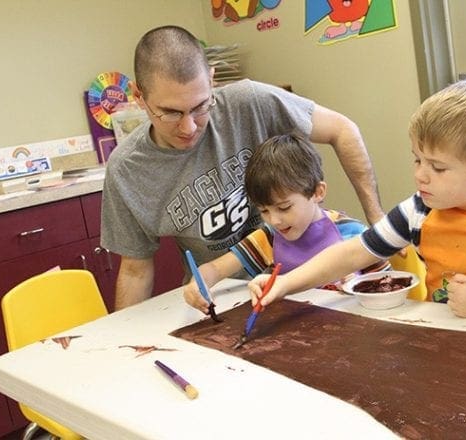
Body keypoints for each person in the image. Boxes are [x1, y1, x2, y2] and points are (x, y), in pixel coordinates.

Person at [249, 74, 466, 322]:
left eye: (438, 167)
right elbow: (351, 253)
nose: (420, 175)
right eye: (417, 159)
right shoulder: (420, 209)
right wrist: (283, 284)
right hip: (453, 337)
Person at [100, 25, 384, 310]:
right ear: (138, 96)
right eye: (171, 112)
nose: (189, 127)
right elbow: (136, 270)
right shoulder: (127, 169)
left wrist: (377, 218)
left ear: (211, 80)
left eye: (201, 106)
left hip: (300, 288)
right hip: (220, 300)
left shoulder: (248, 102)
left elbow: (343, 130)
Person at [182, 133, 390, 313]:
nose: (274, 220)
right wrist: (198, 284)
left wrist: (358, 285)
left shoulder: (354, 235)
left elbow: (389, 288)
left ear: (318, 192)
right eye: (264, 210)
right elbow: (215, 269)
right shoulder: (269, 237)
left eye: (284, 208)